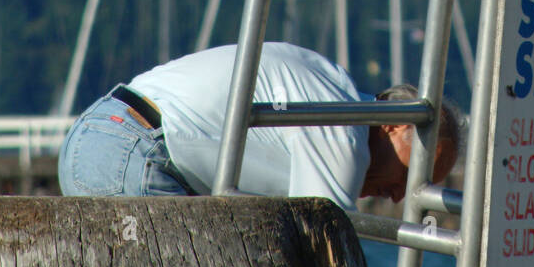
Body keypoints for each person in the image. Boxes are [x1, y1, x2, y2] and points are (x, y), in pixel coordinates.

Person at [57, 41, 459, 209]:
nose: (398, 197)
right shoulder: (343, 131)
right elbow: (325, 252)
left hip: (105, 132)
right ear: (391, 125)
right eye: (408, 175)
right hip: (137, 154)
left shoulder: (332, 86)